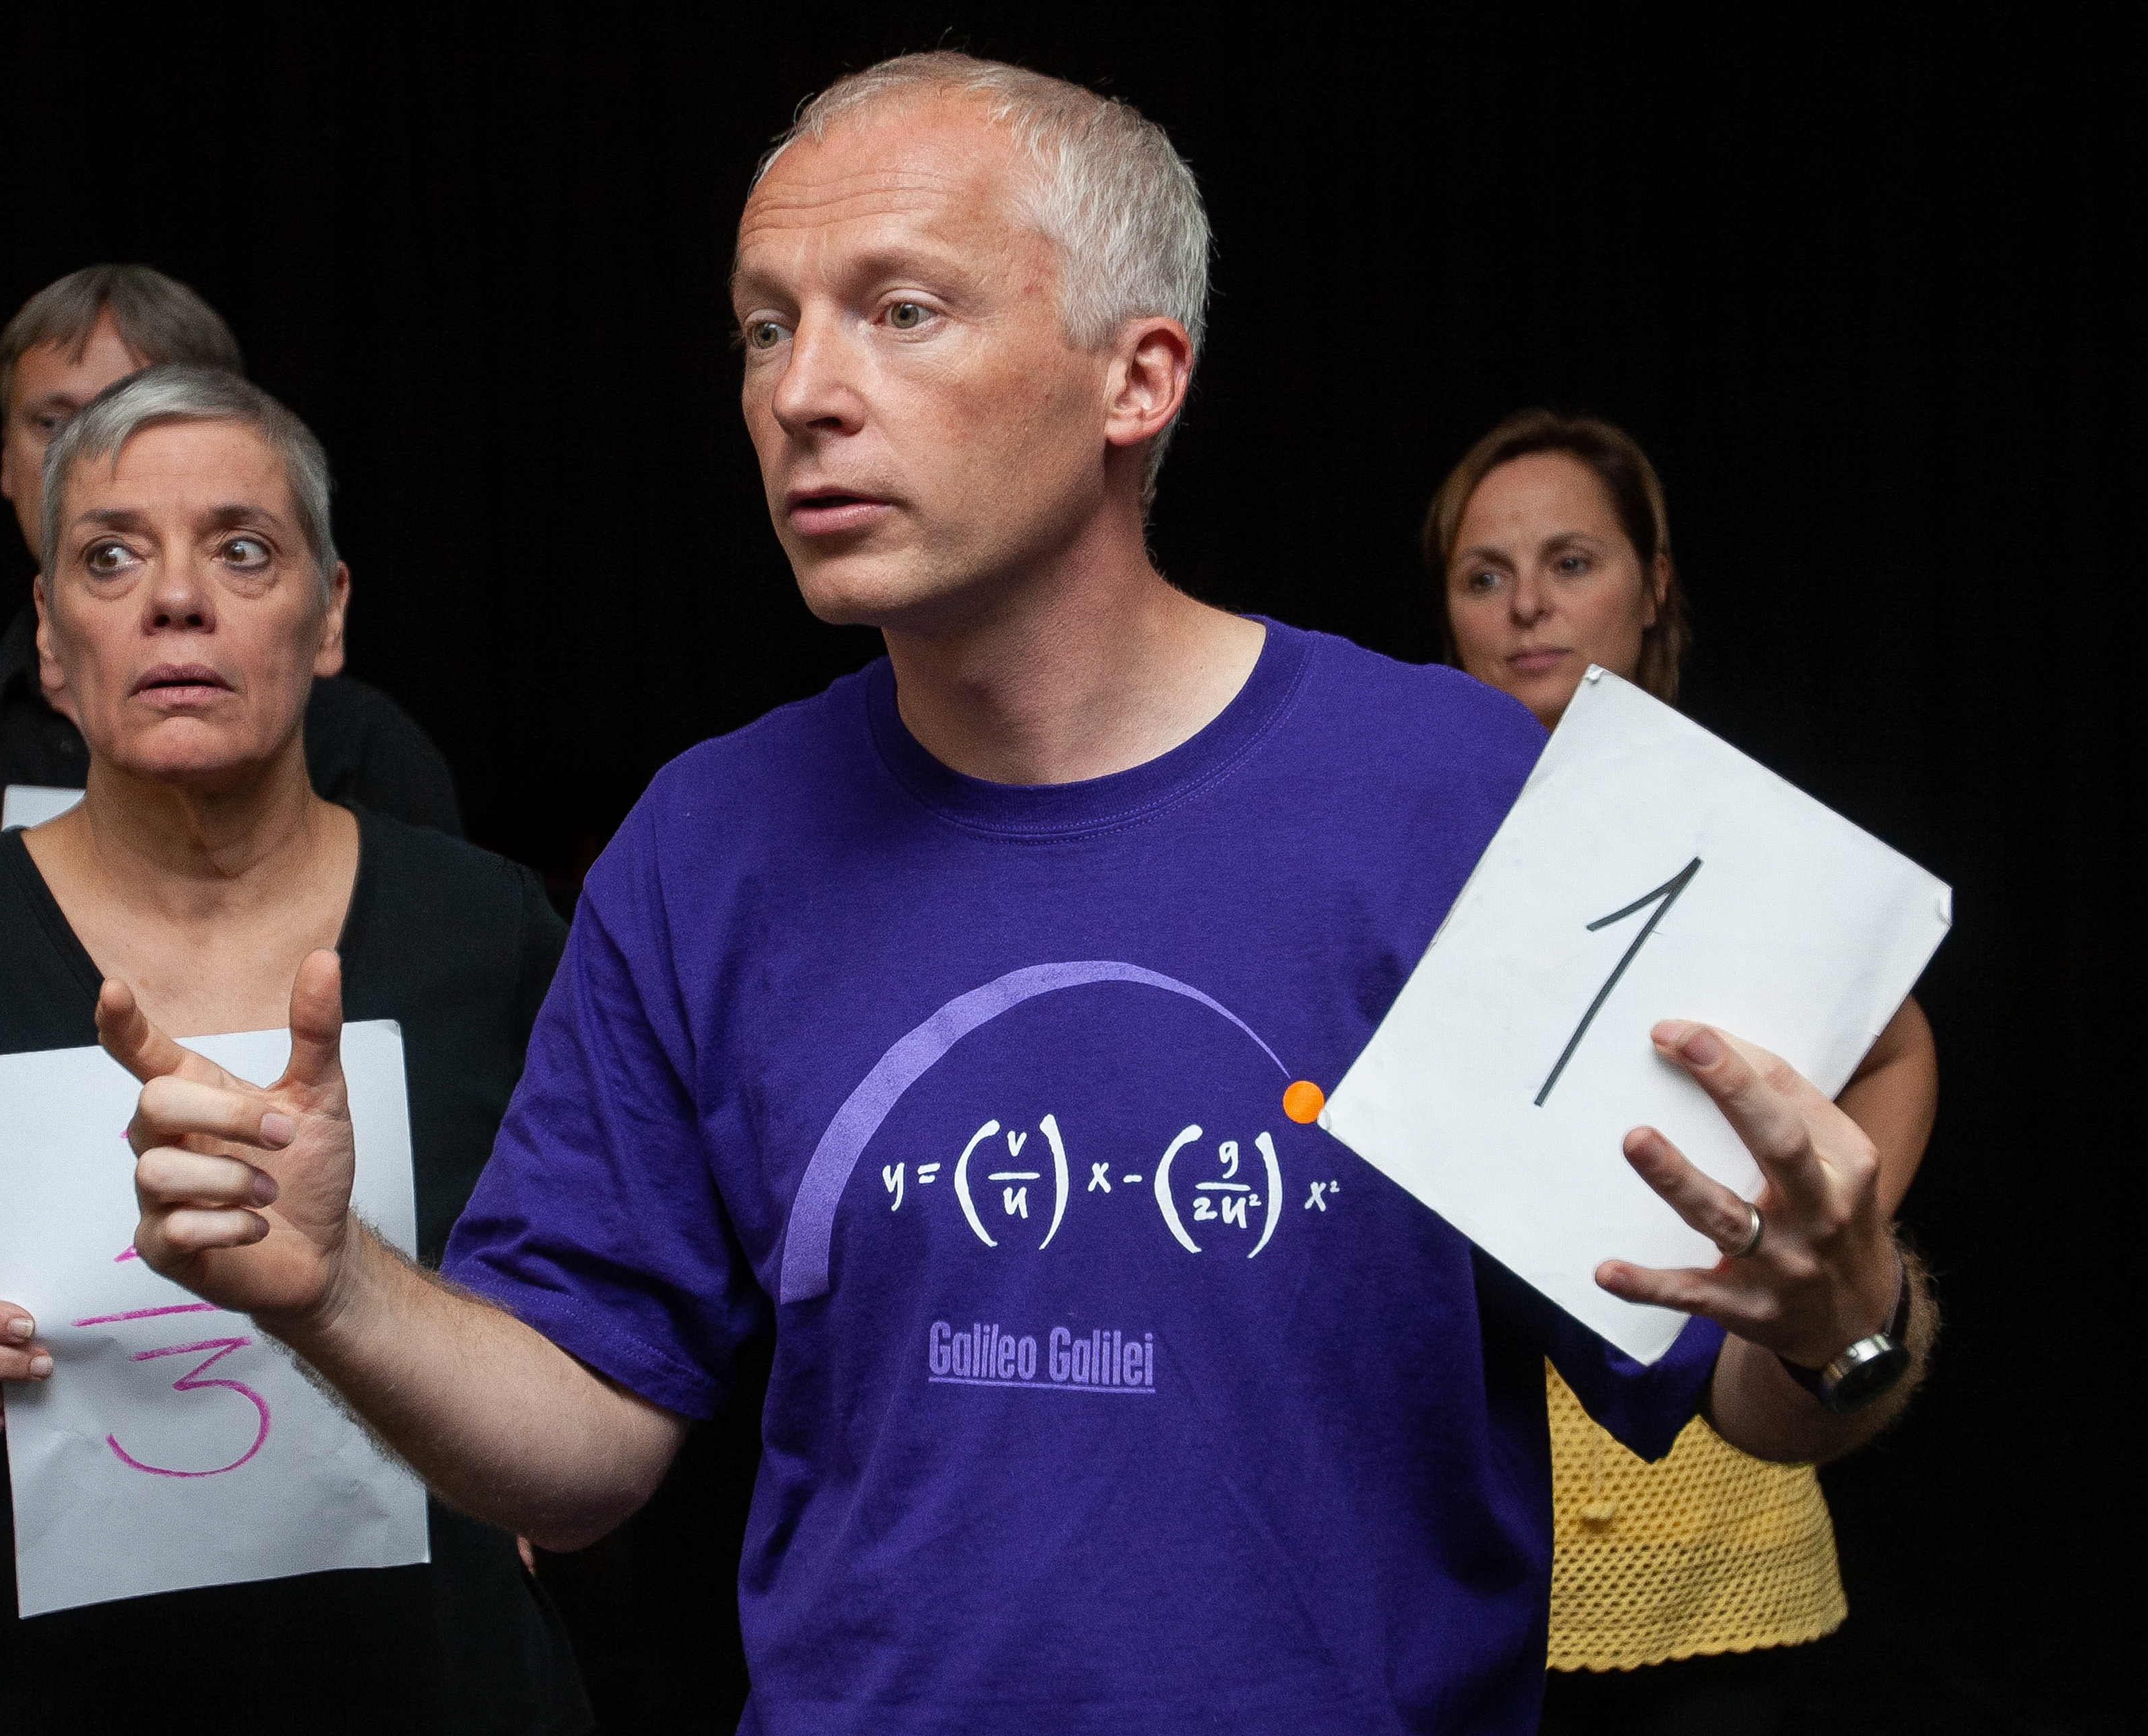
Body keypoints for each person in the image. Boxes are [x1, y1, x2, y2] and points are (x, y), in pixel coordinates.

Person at [105, 54, 1938, 1735]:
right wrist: (329, 1288)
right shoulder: (702, 844)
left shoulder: (1455, 793)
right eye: (763, 329)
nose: (804, 392)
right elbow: (585, 1441)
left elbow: (1757, 1398)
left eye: (901, 312)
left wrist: (1843, 1316)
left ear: (1138, 378)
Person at [0, 368, 587, 1734]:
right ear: (52, 644)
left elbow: (609, 1376)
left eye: (243, 548)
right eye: (112, 555)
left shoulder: (495, 937)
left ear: (331, 614)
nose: (175, 598)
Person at [1426, 410, 1940, 1732]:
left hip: (1715, 1521)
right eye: (1484, 574)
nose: (1528, 604)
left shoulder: (1739, 835)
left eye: (1572, 561)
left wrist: (1820, 1239)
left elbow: (1901, 1040)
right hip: (1467, 1519)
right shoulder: (1397, 829)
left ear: (1654, 585)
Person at [0, 263, 461, 901]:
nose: (85, 455)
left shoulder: (373, 747)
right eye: (53, 423)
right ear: (5, 457)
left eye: (136, 412)